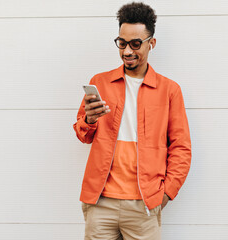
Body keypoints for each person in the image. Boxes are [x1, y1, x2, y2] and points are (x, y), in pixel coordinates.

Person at [73, 2, 191, 239]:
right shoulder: (101, 82)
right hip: (100, 202)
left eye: (136, 44)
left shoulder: (170, 90)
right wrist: (89, 119)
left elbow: (181, 148)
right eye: (122, 43)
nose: (127, 51)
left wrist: (166, 193)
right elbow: (83, 135)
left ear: (151, 43)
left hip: (144, 205)